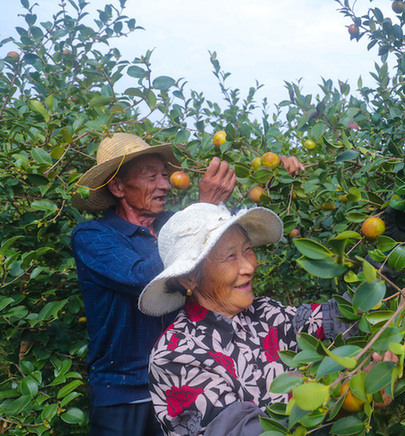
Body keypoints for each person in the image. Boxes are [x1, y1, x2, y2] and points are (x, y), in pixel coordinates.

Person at [71, 132, 303, 436]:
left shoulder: (172, 224)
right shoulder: (93, 236)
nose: (165, 184)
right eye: (151, 177)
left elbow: (228, 241)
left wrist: (274, 177)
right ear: (117, 187)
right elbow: (142, 277)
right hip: (128, 392)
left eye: (165, 175)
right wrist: (203, 207)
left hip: (188, 380)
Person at [137, 203, 354, 436]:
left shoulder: (265, 313)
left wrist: (388, 266)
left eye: (248, 249)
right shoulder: (176, 354)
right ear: (189, 278)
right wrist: (338, 402)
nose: (249, 266)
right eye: (230, 256)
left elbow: (336, 320)